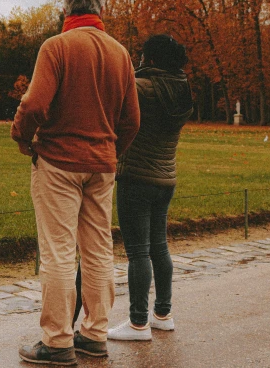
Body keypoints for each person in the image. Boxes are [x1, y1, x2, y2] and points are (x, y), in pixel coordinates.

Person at [12, 0, 140, 365]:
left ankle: (57, 340)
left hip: (59, 162)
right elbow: (132, 119)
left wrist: (22, 138)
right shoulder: (119, 53)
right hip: (102, 165)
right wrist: (112, 151)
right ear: (101, 6)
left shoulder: (57, 47)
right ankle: (95, 334)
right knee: (99, 249)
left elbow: (34, 104)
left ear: (66, 7)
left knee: (58, 253)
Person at [107, 34, 194, 341]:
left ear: (152, 59)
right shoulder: (182, 89)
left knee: (138, 253)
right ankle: (163, 314)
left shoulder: (141, 88)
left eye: (142, 55)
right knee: (160, 247)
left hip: (137, 177)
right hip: (166, 177)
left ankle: (138, 323)